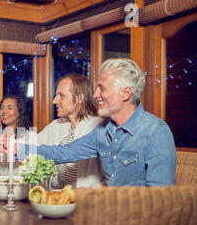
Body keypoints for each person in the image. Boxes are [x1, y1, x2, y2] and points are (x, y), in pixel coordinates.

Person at [16, 58, 176, 186]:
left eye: (102, 89)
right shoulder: (103, 130)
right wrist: (19, 149)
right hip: (107, 215)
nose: (95, 95)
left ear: (125, 93)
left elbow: (160, 199)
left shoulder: (156, 131)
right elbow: (65, 152)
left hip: (135, 222)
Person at [34, 74, 104, 189]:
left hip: (87, 202)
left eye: (61, 95)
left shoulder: (99, 126)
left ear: (80, 99)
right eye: (56, 95)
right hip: (60, 200)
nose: (54, 101)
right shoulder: (56, 126)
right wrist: (11, 142)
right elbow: (33, 144)